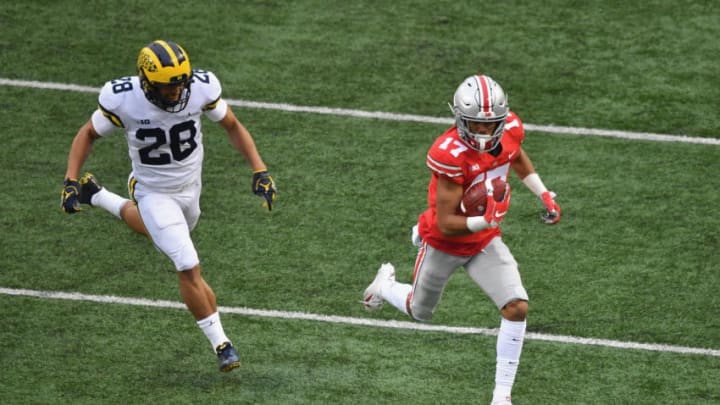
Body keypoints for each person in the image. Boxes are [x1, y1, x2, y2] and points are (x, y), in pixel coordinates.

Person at [60, 39, 277, 372]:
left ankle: (99, 195)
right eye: (168, 87)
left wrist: (259, 169)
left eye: (180, 85)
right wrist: (69, 179)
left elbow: (232, 125)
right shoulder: (124, 99)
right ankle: (222, 344)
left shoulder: (202, 88)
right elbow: (88, 133)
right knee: (187, 264)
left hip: (191, 188)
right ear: (146, 83)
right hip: (152, 191)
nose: (176, 93)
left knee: (168, 236)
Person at [362, 74, 560, 405]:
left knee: (517, 306)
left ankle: (501, 396)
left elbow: (516, 156)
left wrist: (543, 193)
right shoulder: (449, 153)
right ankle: (384, 285)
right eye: (475, 125)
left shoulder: (509, 129)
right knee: (420, 311)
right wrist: (487, 218)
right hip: (444, 240)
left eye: (490, 125)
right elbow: (446, 222)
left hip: (484, 241)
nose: (483, 132)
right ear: (459, 119)